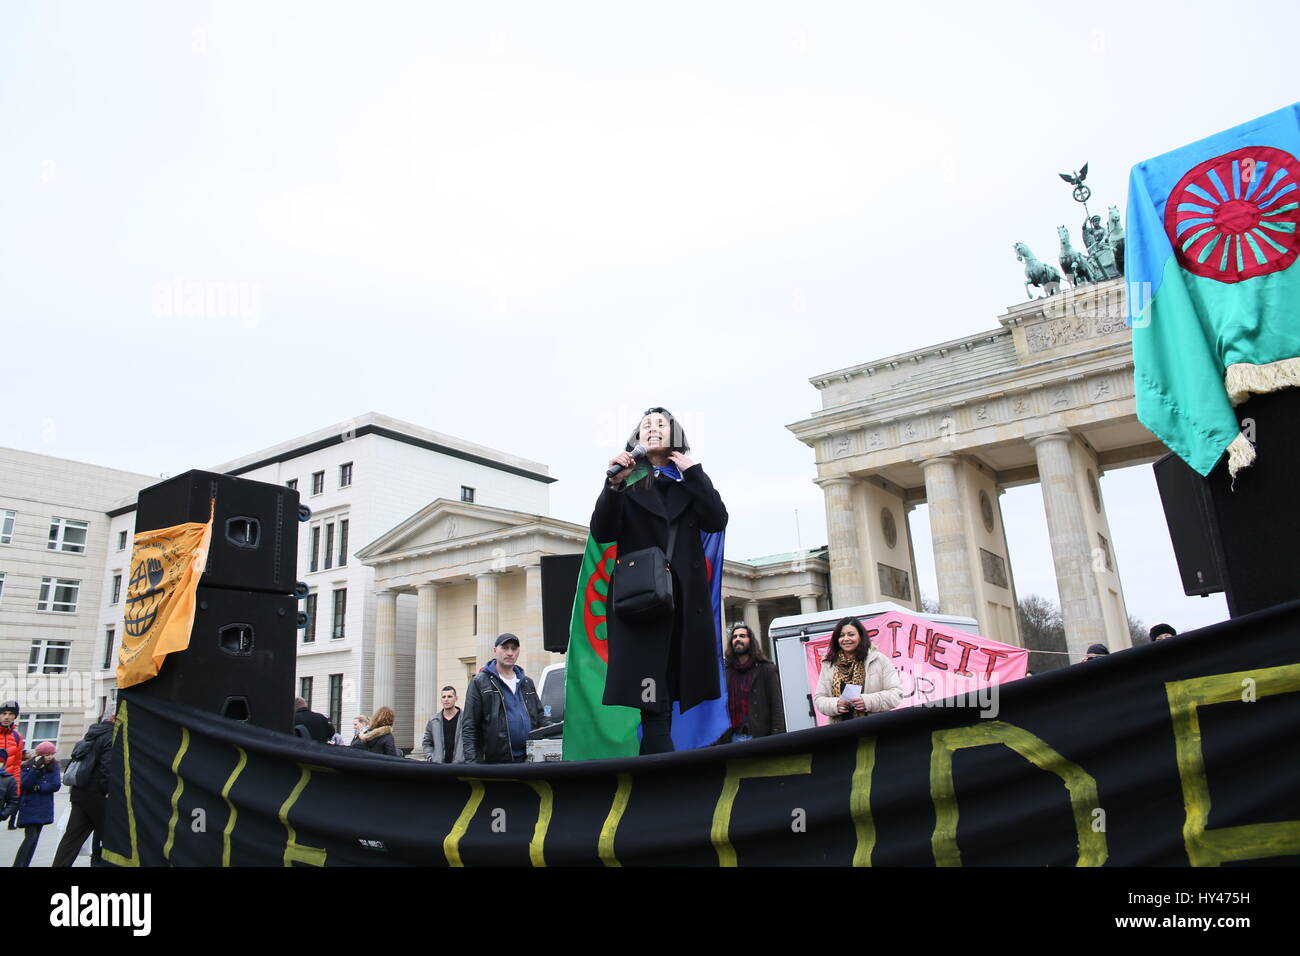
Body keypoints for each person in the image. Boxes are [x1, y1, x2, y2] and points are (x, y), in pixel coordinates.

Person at [594, 407, 728, 754]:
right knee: (651, 699)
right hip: (642, 602)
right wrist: (613, 485)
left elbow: (716, 519)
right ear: (636, 438)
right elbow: (603, 531)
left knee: (668, 689)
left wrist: (694, 473)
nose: (652, 429)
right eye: (645, 426)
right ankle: (660, 779)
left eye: (660, 424)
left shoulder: (689, 479)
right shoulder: (626, 481)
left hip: (682, 603)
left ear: (675, 434)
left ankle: (658, 776)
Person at [462, 634, 542, 764]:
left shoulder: (527, 683)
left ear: (518, 652)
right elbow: (469, 726)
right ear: (495, 651)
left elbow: (540, 716)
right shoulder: (480, 682)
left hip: (528, 761)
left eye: (514, 648)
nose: (510, 653)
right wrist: (472, 764)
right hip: (495, 764)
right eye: (505, 648)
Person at [51, 714, 116, 867]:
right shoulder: (111, 736)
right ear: (114, 719)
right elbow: (108, 766)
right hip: (98, 794)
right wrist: (108, 789)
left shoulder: (89, 737)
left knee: (72, 837)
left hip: (79, 792)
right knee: (113, 836)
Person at [813, 616, 902, 721]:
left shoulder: (878, 660)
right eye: (841, 635)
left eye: (851, 635)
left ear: (861, 637)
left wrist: (867, 701)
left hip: (875, 727)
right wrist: (835, 705)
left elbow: (896, 695)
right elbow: (819, 699)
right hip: (841, 731)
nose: (846, 639)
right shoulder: (829, 664)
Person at [715, 623, 785, 744]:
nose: (738, 639)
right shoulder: (725, 671)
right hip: (732, 737)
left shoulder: (766, 669)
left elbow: (776, 705)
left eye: (742, 636)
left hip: (760, 737)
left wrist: (777, 736)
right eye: (734, 637)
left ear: (750, 640)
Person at [13, 741, 60, 867]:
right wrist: (35, 769)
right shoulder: (28, 766)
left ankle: (25, 864)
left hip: (44, 806)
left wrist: (38, 788)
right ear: (40, 755)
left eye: (52, 754)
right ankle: (18, 864)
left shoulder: (54, 767)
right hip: (29, 805)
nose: (50, 757)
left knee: (35, 839)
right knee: (31, 837)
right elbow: (25, 784)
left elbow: (56, 785)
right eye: (47, 754)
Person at [422, 686, 465, 764]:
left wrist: (467, 758)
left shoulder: (465, 718)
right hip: (439, 767)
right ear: (441, 700)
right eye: (443, 697)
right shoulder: (434, 720)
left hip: (460, 766)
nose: (446, 699)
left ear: (456, 698)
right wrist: (431, 757)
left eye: (449, 696)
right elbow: (427, 742)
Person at [0, 702, 23, 831]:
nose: (7, 717)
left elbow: (16, 766)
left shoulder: (17, 737)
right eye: (3, 713)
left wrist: (16, 789)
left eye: (10, 714)